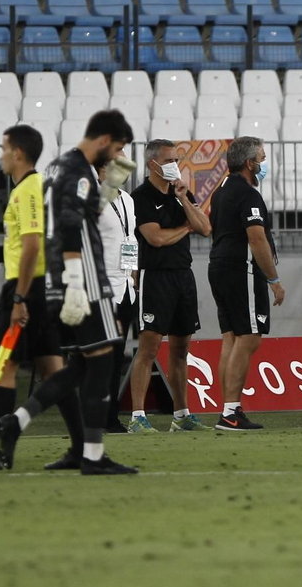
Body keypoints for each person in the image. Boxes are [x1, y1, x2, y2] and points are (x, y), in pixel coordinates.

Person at [0, 110, 139, 474]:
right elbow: (73, 226)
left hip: (59, 279)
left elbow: (84, 213)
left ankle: (17, 422)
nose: (117, 155)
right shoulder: (77, 172)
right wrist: (76, 281)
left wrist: (111, 184)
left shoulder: (59, 167)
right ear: (103, 140)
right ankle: (92, 455)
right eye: (117, 148)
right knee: (102, 363)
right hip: (83, 277)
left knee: (80, 366)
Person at [0, 124, 83, 471]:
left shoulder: (27, 190)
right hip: (43, 287)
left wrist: (20, 299)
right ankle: (82, 448)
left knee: (4, 367)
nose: (2, 156)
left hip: (27, 289)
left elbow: (31, 246)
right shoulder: (39, 188)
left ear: (19, 153)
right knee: (53, 370)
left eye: (4, 149)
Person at [126, 139, 210, 432]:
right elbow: (156, 238)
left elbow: (205, 228)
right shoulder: (141, 198)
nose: (176, 165)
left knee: (181, 348)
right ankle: (137, 417)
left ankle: (182, 415)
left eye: (177, 159)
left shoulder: (180, 193)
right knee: (148, 348)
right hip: (155, 277)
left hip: (183, 276)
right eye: (169, 160)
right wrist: (186, 227)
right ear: (153, 164)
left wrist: (184, 199)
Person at [207, 136, 284, 432]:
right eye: (262, 158)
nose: (264, 163)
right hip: (242, 270)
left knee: (232, 338)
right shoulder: (248, 194)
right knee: (250, 337)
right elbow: (256, 238)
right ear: (250, 163)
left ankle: (229, 409)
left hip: (220, 266)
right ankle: (230, 412)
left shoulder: (221, 190)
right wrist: (274, 280)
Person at [96, 151, 137, 434]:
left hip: (125, 289)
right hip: (102, 288)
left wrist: (133, 277)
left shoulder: (127, 200)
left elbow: (130, 239)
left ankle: (110, 418)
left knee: (116, 357)